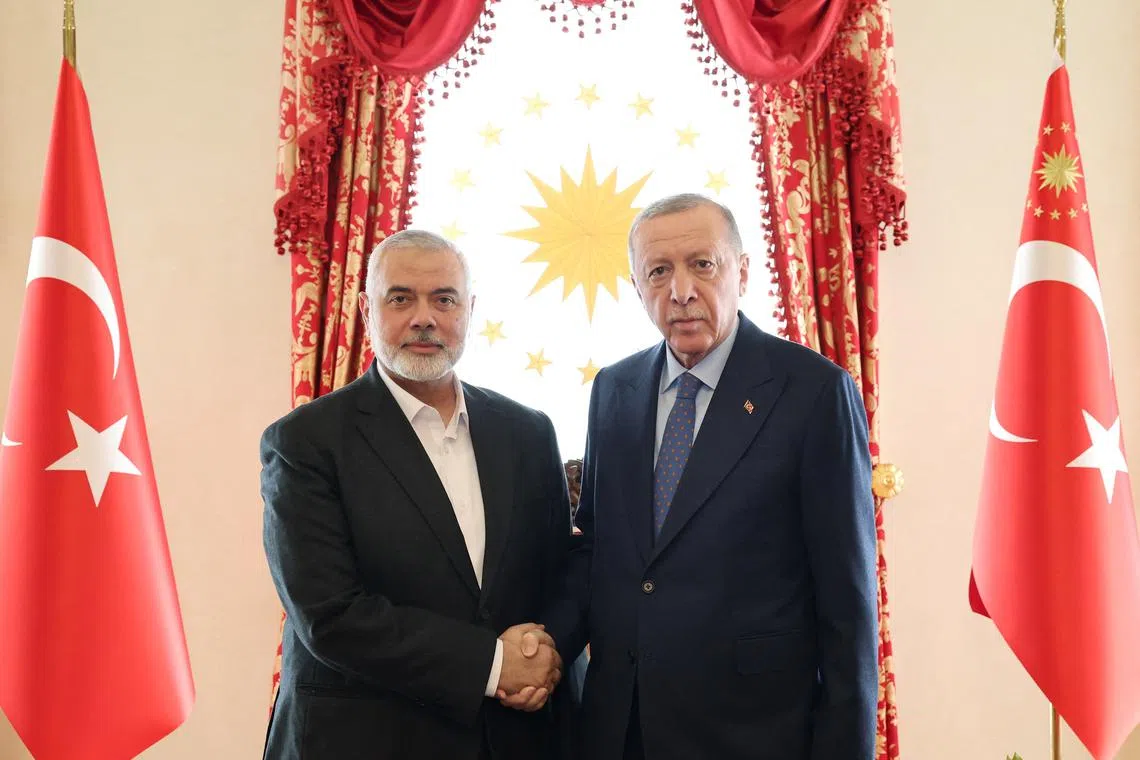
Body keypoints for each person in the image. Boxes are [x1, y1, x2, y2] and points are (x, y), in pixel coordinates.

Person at [542, 194, 879, 760]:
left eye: (702, 264)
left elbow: (847, 603)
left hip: (754, 732)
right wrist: (546, 643)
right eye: (658, 271)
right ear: (636, 286)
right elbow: (601, 551)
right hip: (622, 728)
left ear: (741, 272)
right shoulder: (614, 391)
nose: (680, 291)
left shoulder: (814, 392)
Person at [260, 230, 573, 759]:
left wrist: (542, 657)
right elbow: (330, 616)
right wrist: (494, 666)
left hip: (512, 738)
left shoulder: (527, 431)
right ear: (366, 309)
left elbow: (559, 571)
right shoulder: (304, 442)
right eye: (401, 298)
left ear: (469, 310)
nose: (423, 317)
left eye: (444, 299)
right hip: (363, 738)